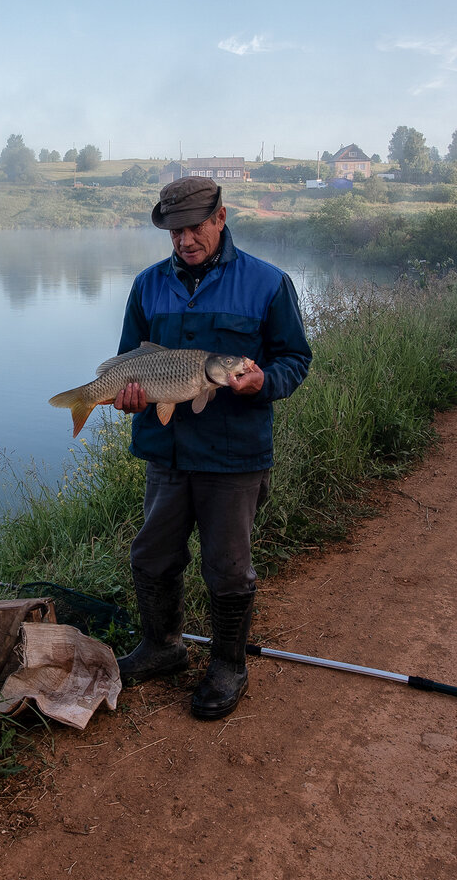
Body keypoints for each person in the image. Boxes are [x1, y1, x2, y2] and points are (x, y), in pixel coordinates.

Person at [113, 176, 312, 719]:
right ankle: (162, 647)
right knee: (153, 557)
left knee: (228, 568)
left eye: (194, 228)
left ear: (221, 218)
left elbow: (295, 360)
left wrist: (263, 382)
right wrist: (130, 398)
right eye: (174, 232)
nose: (184, 241)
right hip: (166, 452)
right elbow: (129, 361)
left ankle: (228, 666)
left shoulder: (268, 283)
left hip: (234, 455)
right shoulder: (147, 287)